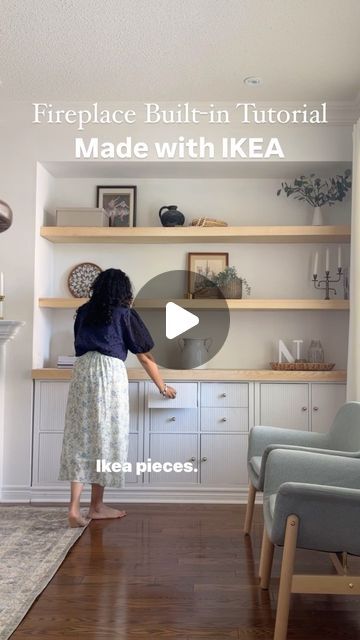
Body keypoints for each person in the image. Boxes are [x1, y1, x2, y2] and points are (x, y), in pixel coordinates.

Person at [59, 268, 176, 527]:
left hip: (81, 372)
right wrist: (162, 386)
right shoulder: (124, 314)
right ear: (124, 290)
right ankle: (97, 506)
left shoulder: (84, 311)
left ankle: (74, 509)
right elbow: (145, 356)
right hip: (109, 374)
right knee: (106, 437)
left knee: (80, 437)